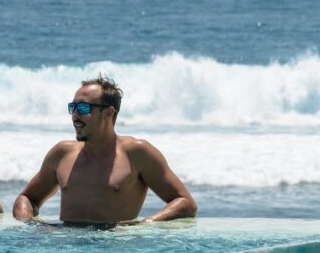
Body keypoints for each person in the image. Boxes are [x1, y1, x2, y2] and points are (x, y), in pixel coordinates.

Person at [13, 76, 197, 225]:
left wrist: (146, 225)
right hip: (67, 250)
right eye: (73, 108)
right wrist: (26, 225)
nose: (75, 115)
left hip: (114, 252)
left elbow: (185, 203)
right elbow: (28, 198)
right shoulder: (62, 153)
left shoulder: (137, 153)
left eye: (83, 108)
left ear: (108, 113)